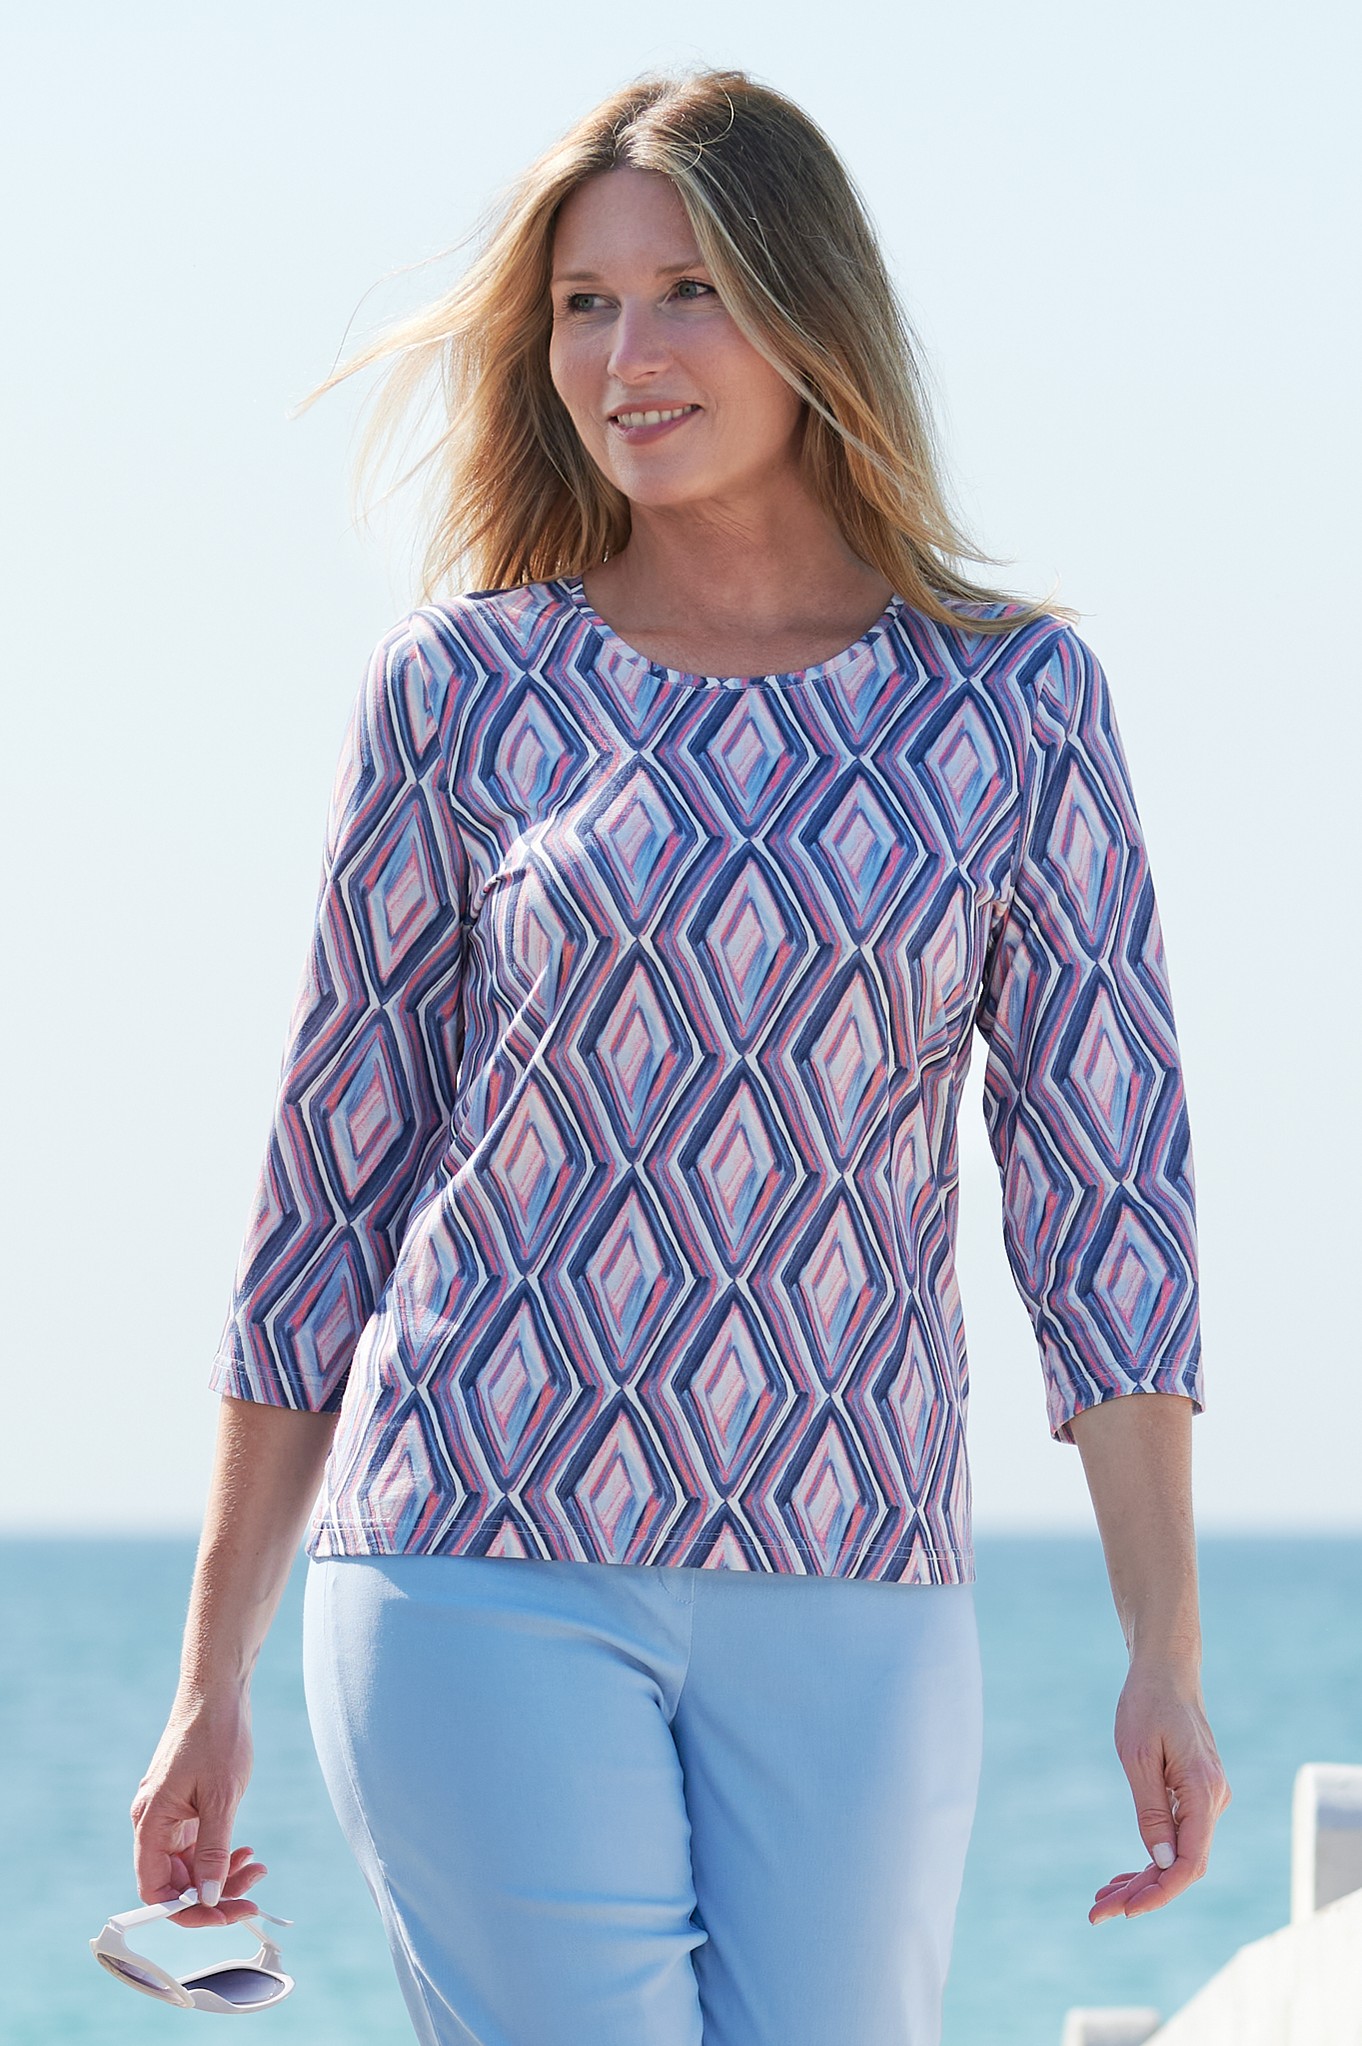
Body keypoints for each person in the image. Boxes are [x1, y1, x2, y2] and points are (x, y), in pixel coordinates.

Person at [130, 65, 1230, 2046]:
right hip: (477, 1550)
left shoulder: (1015, 703)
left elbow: (1106, 1196)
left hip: (859, 1569)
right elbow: (324, 1203)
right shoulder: (462, 692)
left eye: (686, 292)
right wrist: (210, 1673)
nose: (624, 357)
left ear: (811, 311)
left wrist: (1164, 1644)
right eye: (583, 306)